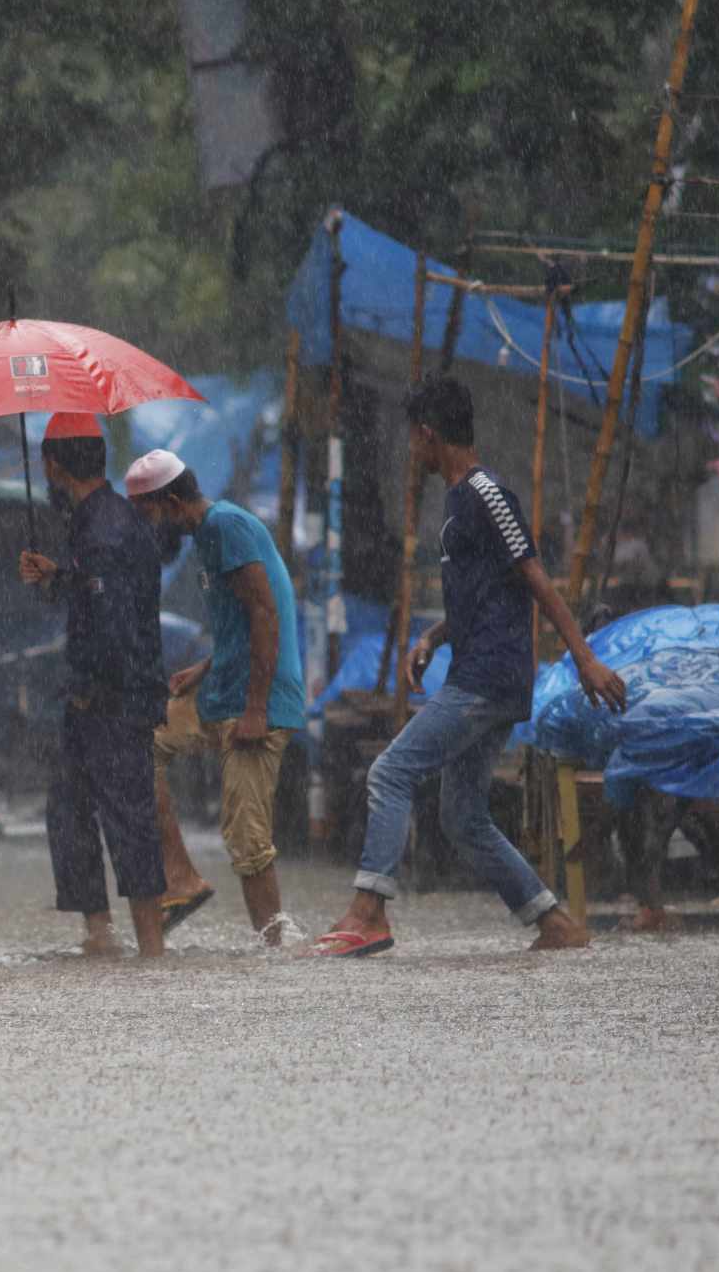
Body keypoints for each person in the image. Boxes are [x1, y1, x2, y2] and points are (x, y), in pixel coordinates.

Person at [314, 377, 629, 956]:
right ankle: (554, 922)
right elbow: (484, 594)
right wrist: (433, 636)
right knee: (462, 817)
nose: (413, 451)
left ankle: (368, 911)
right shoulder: (459, 503)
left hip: (489, 678)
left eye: (414, 439)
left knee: (389, 772)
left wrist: (584, 658)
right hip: (482, 672)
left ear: (429, 435)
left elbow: (534, 576)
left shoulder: (486, 494)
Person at [125, 449, 303, 947]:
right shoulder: (205, 536)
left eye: (148, 513)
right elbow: (240, 617)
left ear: (173, 500)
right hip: (220, 688)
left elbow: (266, 612)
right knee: (141, 744)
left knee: (247, 839)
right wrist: (203, 668)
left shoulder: (227, 526)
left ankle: (275, 954)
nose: (147, 526)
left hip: (256, 702)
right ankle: (181, 877)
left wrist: (256, 709)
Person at [17, 417, 170, 958]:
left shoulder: (104, 529)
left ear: (53, 466)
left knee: (129, 821)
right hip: (96, 703)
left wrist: (100, 695)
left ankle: (151, 947)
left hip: (112, 704)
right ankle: (101, 936)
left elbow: (113, 623)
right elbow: (98, 594)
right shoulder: (99, 520)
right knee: (69, 813)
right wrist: (57, 577)